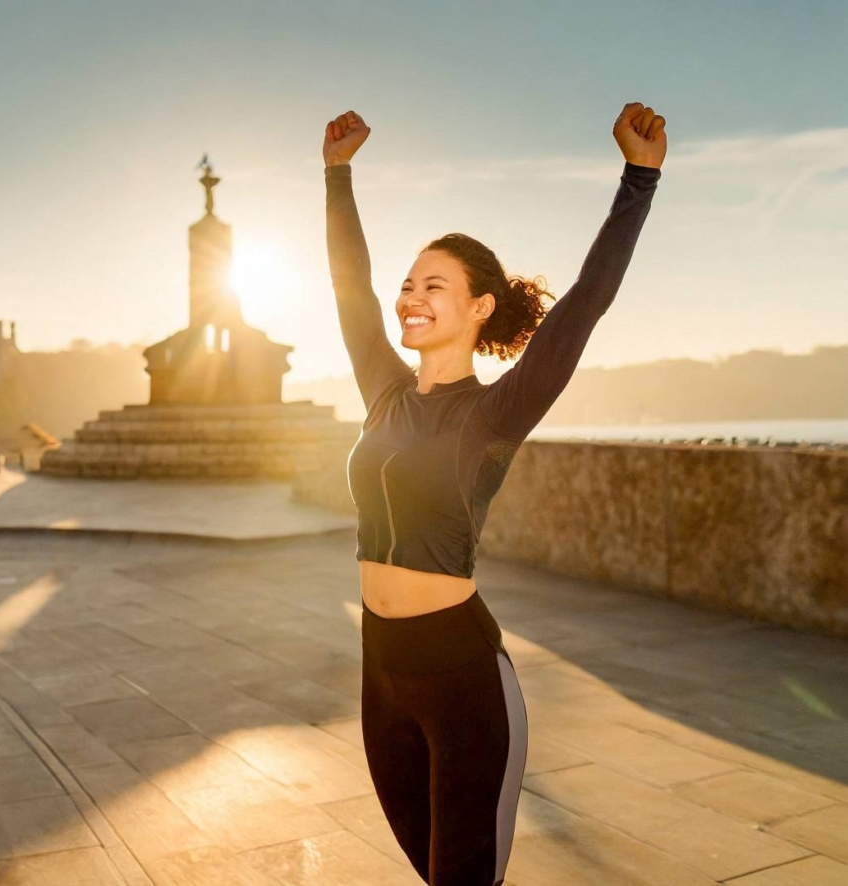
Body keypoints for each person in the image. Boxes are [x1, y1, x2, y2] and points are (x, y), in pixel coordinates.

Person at [323, 103, 666, 884]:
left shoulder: (495, 412)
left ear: (479, 308)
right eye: (409, 284)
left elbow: (587, 302)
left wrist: (639, 178)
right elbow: (351, 286)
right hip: (381, 671)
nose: (411, 296)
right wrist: (337, 175)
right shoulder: (384, 394)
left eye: (434, 286)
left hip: (464, 683)